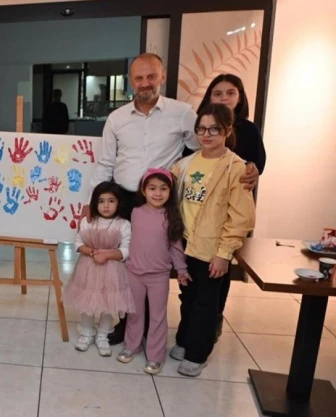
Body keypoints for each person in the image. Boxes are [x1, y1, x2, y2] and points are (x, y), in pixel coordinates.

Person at [90, 52, 259, 346]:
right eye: (139, 78)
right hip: (126, 200)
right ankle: (129, 323)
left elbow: (206, 149)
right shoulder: (117, 118)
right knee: (126, 266)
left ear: (162, 76)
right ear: (131, 81)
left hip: (163, 201)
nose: (145, 83)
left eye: (151, 76)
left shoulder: (182, 113)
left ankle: (164, 326)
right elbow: (105, 162)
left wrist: (245, 166)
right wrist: (92, 204)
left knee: (158, 266)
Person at [170, 104, 256, 377]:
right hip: (186, 243)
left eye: (214, 129)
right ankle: (185, 340)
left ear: (227, 131)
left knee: (206, 302)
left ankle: (198, 353)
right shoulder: (186, 164)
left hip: (212, 248)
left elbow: (241, 217)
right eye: (201, 129)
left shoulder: (236, 168)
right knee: (187, 296)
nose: (206, 135)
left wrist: (224, 253)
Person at [197, 73, 266, 339]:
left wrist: (252, 169)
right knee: (199, 267)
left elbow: (257, 165)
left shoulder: (248, 129)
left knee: (221, 265)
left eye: (230, 93)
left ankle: (216, 315)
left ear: (240, 97)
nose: (224, 98)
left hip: (230, 208)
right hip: (202, 207)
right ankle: (198, 315)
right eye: (218, 93)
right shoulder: (203, 124)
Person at [117, 169, 188, 375]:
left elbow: (176, 247)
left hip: (159, 276)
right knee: (134, 313)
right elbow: (126, 240)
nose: (158, 193)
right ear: (143, 190)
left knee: (157, 317)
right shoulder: (135, 213)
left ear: (170, 192)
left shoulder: (171, 216)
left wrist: (181, 269)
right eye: (152, 188)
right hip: (134, 273)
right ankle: (132, 345)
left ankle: (156, 356)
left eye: (163, 189)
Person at [63, 182, 134, 357]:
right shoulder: (88, 221)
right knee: (87, 301)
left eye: (111, 201)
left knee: (108, 304)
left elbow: (126, 250)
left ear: (119, 203)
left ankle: (103, 335)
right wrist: (92, 252)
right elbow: (78, 243)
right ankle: (87, 332)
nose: (106, 205)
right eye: (101, 201)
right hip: (89, 267)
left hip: (113, 270)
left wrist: (107, 255)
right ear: (95, 203)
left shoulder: (123, 224)